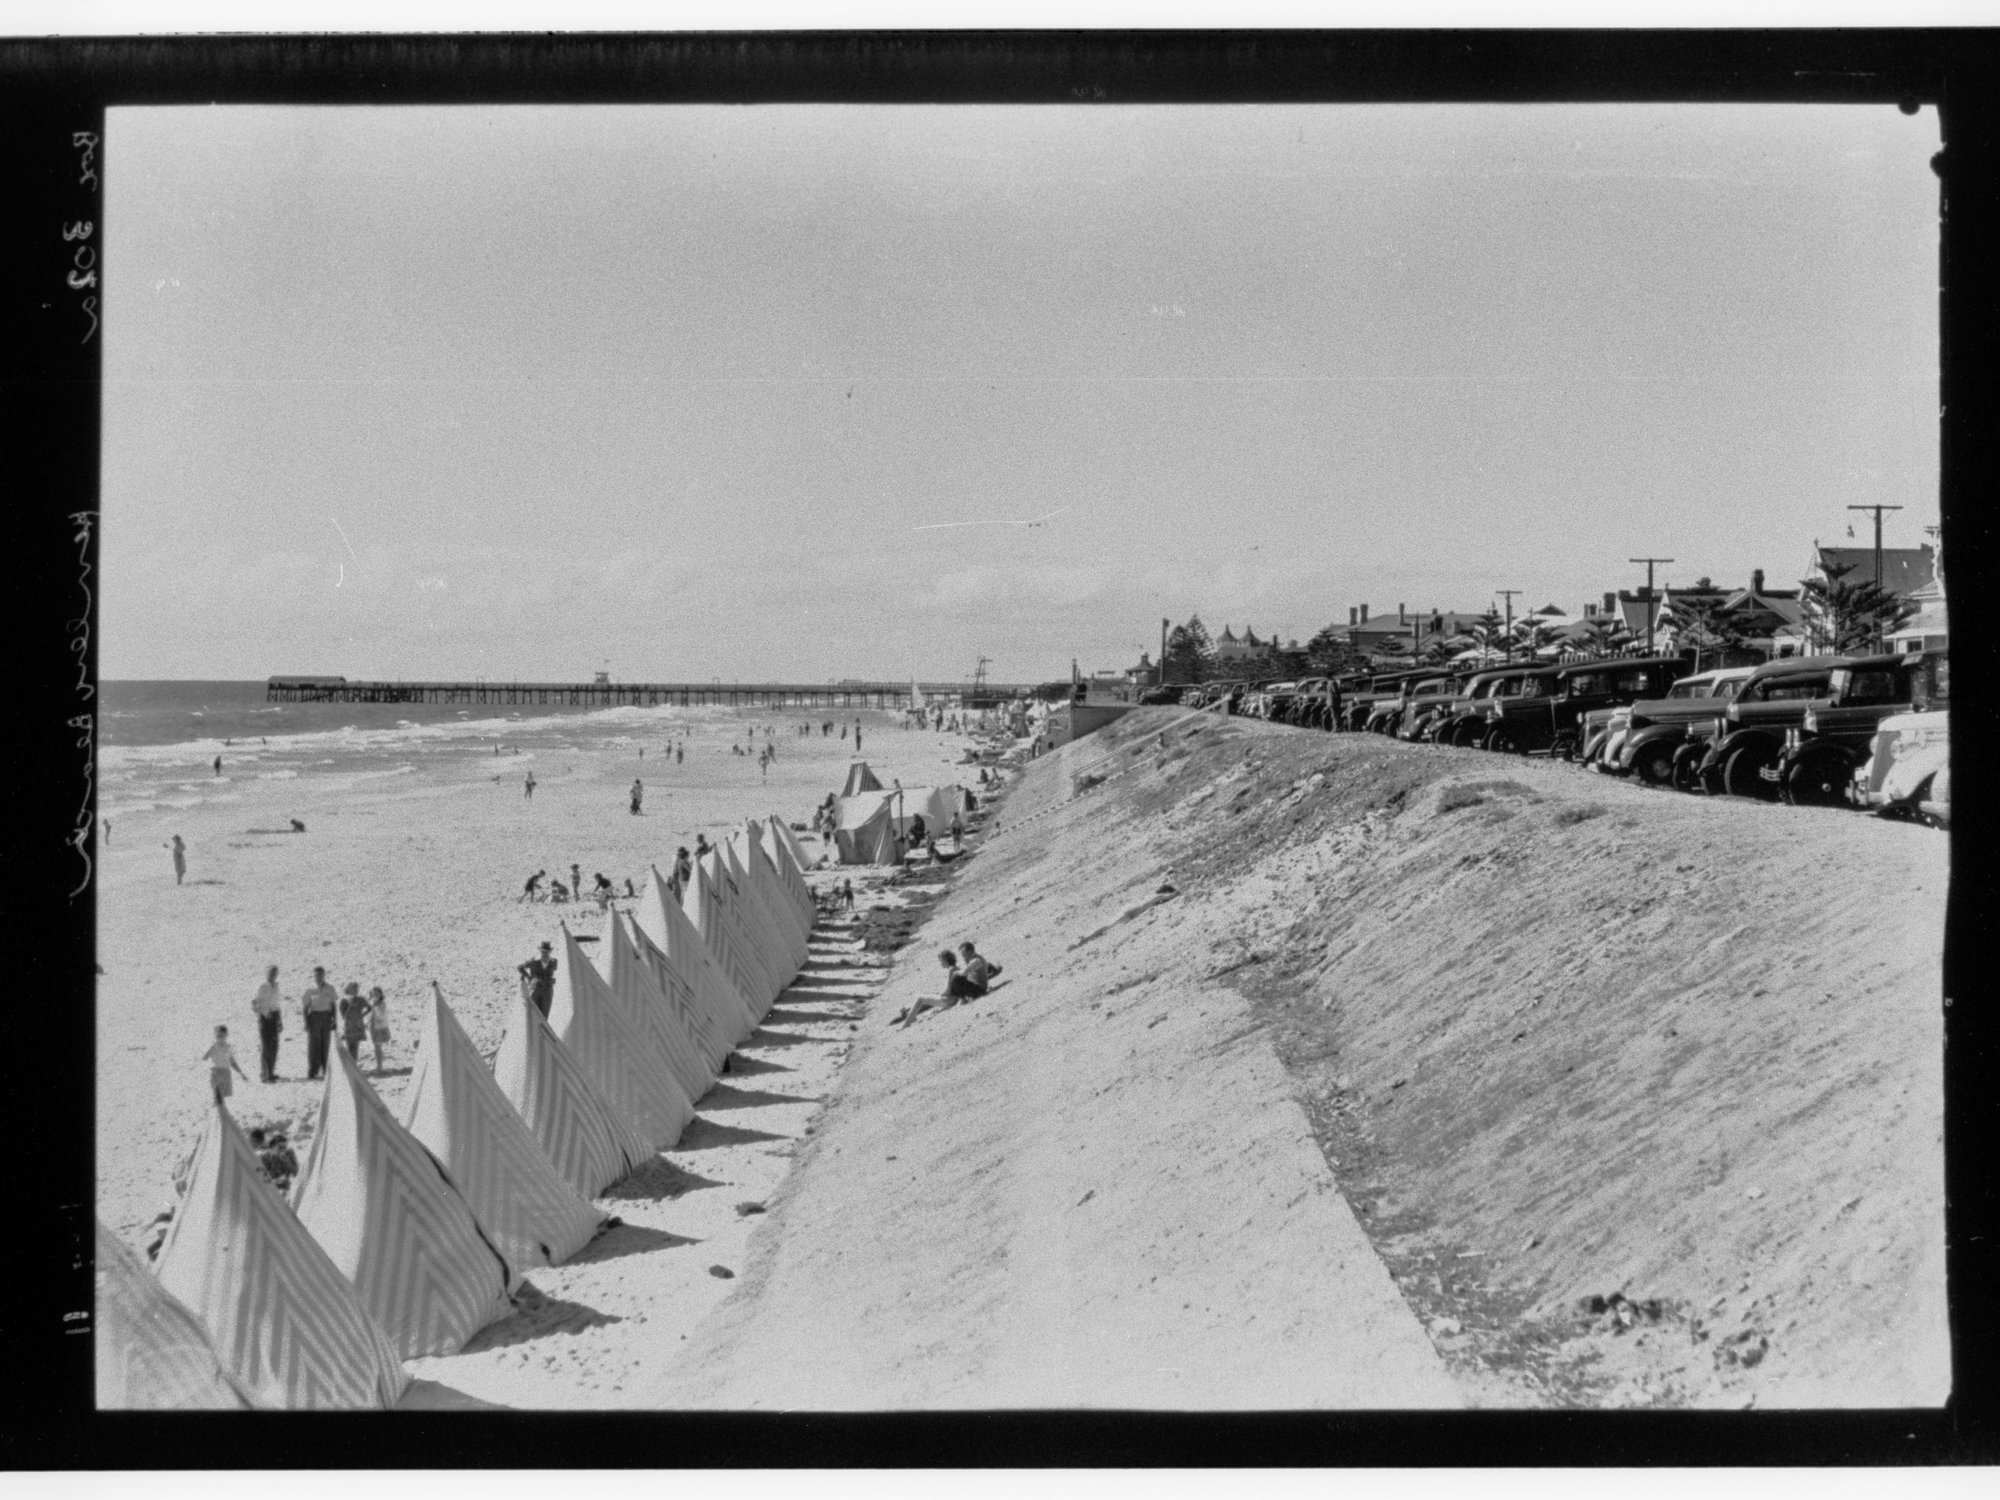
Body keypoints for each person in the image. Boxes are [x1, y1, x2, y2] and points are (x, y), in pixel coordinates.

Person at [300, 968, 337, 1079]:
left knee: (326, 1044)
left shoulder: (330, 988)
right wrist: (306, 1022)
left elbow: (333, 1005)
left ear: (324, 975)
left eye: (320, 975)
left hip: (326, 1017)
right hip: (314, 1017)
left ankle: (326, 1071)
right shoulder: (310, 990)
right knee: (313, 1045)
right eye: (316, 975)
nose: (318, 977)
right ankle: (313, 1071)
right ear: (314, 976)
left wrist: (334, 1020)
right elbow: (305, 1007)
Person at [252, 966, 283, 1082]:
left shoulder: (276, 986)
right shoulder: (262, 986)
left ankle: (271, 1072)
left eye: (275, 973)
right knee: (266, 1046)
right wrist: (264, 1013)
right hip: (265, 1018)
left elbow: (277, 1004)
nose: (272, 975)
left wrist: (280, 1020)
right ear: (266, 974)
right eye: (270, 973)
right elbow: (254, 1003)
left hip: (274, 1016)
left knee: (274, 1045)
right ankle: (264, 1074)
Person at [203, 1026, 250, 1104]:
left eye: (222, 1036)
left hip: (226, 1073)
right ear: (215, 1036)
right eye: (217, 1036)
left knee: (224, 1095)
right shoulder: (213, 1047)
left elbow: (232, 1062)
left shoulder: (228, 1048)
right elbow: (204, 1059)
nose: (219, 1038)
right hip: (215, 1072)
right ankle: (217, 1106)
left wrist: (241, 1073)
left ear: (226, 1036)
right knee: (217, 1092)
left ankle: (220, 1107)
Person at [518, 941, 557, 1017]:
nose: (544, 954)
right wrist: (529, 978)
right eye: (543, 952)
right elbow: (520, 968)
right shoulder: (534, 962)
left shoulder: (554, 963)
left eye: (546, 952)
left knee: (544, 1017)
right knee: (534, 1015)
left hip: (548, 992)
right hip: (535, 991)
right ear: (540, 952)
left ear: (550, 952)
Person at [339, 983, 369, 1060]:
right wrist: (350, 1006)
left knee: (355, 1048)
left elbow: (369, 1008)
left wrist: (362, 1015)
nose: (356, 990)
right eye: (354, 989)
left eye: (357, 989)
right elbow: (344, 1016)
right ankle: (351, 1069)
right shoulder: (344, 1001)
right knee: (350, 1048)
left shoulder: (361, 999)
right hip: (349, 1027)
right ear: (349, 990)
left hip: (357, 1027)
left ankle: (354, 1068)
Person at [366, 986, 392, 1074]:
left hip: (380, 1029)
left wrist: (376, 1007)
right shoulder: (374, 1004)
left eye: (376, 994)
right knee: (376, 1048)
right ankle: (379, 1066)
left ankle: (379, 1068)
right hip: (374, 1028)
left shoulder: (381, 1004)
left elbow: (381, 1016)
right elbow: (372, 1016)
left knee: (378, 1048)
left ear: (380, 994)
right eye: (373, 994)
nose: (375, 996)